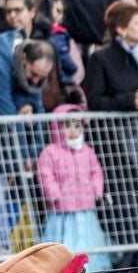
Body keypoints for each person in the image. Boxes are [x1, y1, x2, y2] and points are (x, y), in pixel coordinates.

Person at [84, 1, 138, 256]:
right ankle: (127, 259)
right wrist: (131, 100)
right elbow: (95, 99)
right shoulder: (101, 58)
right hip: (116, 147)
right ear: (120, 29)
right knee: (126, 208)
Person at [37, 105, 111, 261]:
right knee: (63, 244)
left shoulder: (87, 151)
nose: (73, 131)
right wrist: (54, 193)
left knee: (87, 240)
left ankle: (88, 267)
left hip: (85, 208)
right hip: (61, 211)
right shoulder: (50, 152)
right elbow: (45, 174)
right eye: (67, 126)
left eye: (77, 126)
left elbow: (96, 171)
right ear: (57, 127)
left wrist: (96, 188)